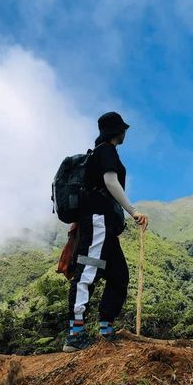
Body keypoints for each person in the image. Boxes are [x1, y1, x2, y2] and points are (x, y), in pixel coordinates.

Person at [63, 111, 149, 352]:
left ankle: (106, 328)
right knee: (88, 271)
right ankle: (75, 334)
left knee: (119, 275)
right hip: (98, 222)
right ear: (116, 131)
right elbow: (111, 183)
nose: (125, 134)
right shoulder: (105, 151)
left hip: (106, 227)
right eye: (123, 130)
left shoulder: (101, 153)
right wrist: (133, 212)